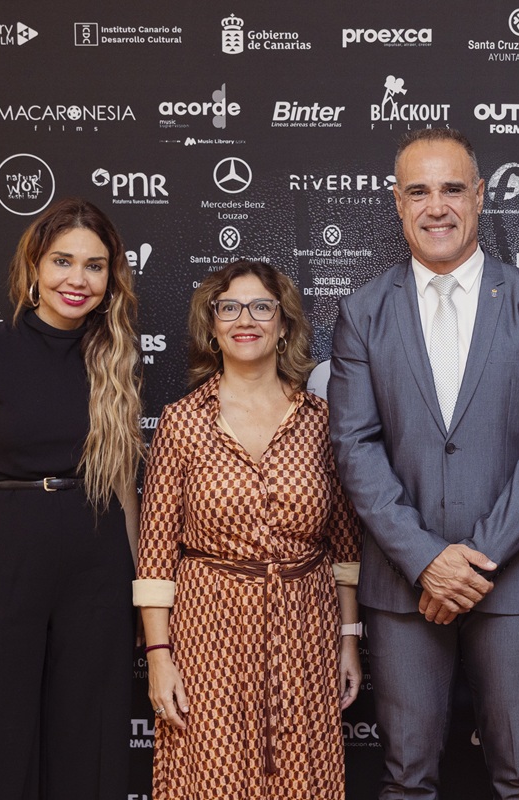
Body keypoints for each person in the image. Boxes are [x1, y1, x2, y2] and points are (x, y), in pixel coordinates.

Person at [329, 127, 519, 799]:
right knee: (406, 778)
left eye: (451, 189)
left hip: (512, 580)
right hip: (403, 585)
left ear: (479, 196)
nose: (436, 207)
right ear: (397, 202)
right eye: (419, 191)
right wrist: (426, 560)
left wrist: (473, 560)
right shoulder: (362, 312)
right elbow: (354, 445)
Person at [0, 197, 144, 799]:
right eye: (62, 261)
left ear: (110, 278)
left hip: (97, 566)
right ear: (34, 265)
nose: (77, 279)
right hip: (7, 563)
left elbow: (123, 486)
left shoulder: (115, 356)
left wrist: (137, 587)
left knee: (90, 739)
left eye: (94, 266)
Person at [134, 259, 361, 799]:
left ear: (283, 326)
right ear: (211, 327)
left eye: (262, 307)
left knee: (301, 780)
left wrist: (348, 640)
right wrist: (159, 656)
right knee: (214, 778)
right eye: (229, 307)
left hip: (305, 629)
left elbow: (344, 546)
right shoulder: (181, 421)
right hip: (208, 631)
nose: (245, 319)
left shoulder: (321, 421)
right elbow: (156, 552)